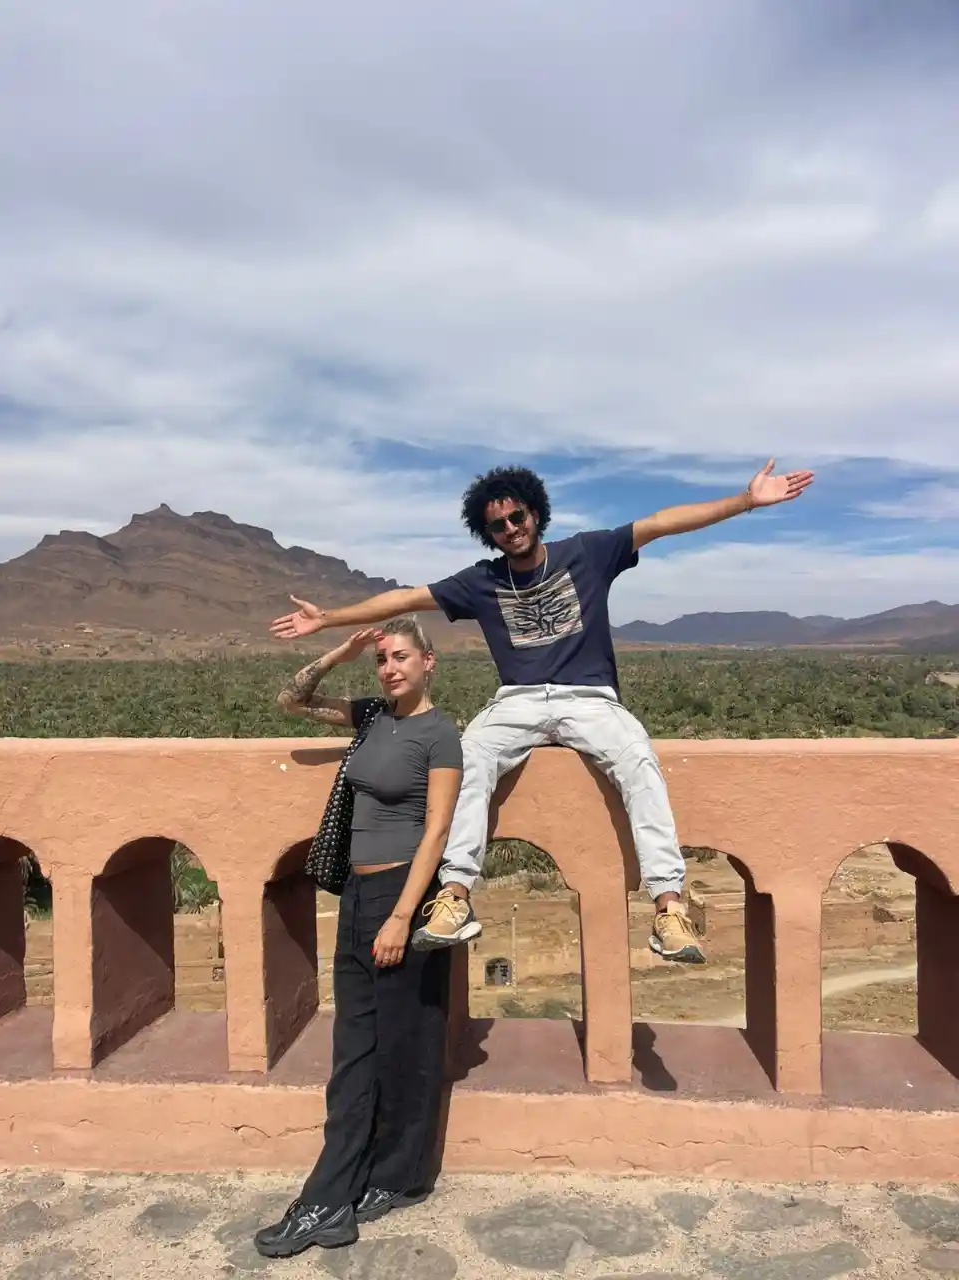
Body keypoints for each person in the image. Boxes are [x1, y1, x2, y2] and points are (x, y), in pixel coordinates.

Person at [270, 458, 814, 967]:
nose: (511, 528)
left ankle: (668, 907)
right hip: (518, 699)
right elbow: (407, 599)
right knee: (471, 757)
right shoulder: (482, 581)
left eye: (518, 516)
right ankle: (455, 895)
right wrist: (330, 619)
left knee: (637, 759)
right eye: (498, 524)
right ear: (488, 533)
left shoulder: (587, 553)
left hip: (589, 697)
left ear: (535, 513)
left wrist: (745, 500)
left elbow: (659, 523)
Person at [254, 616, 463, 1258]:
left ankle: (366, 1187)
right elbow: (291, 700)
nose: (390, 668)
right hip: (355, 893)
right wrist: (339, 652)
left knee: (405, 1041)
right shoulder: (371, 715)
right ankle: (359, 1184)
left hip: (403, 895)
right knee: (355, 1046)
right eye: (382, 659)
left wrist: (402, 916)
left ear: (428, 662)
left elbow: (436, 831)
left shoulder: (440, 734)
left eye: (401, 657)